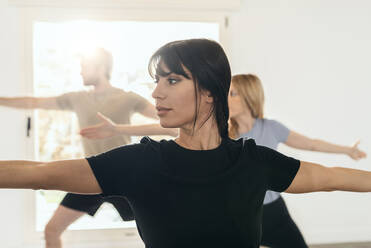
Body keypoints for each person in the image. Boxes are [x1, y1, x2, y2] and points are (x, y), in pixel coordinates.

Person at [1, 39, 371, 248]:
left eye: (172, 80)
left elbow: (334, 177)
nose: (157, 92)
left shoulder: (256, 162)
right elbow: (40, 174)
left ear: (210, 92)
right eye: (157, 81)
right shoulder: (137, 163)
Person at [0, 48, 174, 248]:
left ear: (100, 67)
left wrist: (118, 129)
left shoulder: (127, 98)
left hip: (124, 176)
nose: (81, 72)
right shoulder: (77, 98)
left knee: (159, 231)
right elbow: (34, 102)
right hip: (90, 174)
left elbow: (168, 123)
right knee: (51, 230)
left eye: (85, 67)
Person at [228, 73, 367, 248]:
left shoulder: (271, 128)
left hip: (273, 210)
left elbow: (311, 144)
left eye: (233, 93)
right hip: (241, 214)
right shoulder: (223, 135)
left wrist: (348, 150)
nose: (226, 98)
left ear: (249, 95)